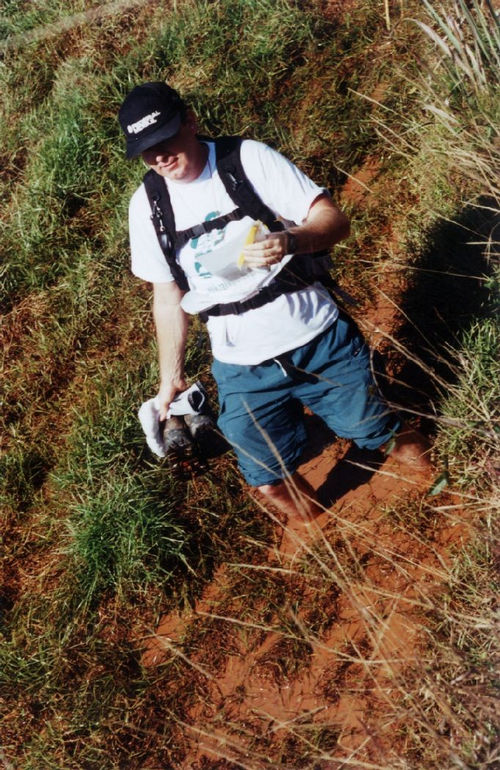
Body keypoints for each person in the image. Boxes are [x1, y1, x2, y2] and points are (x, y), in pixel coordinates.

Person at [118, 81, 431, 524]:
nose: (160, 157)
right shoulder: (147, 205)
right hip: (241, 366)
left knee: (379, 432)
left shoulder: (245, 159)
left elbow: (333, 221)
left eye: (166, 140)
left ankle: (441, 487)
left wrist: (291, 240)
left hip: (317, 337)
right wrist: (171, 378)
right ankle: (322, 538)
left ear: (189, 121)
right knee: (266, 478)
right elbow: (167, 298)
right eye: (147, 151)